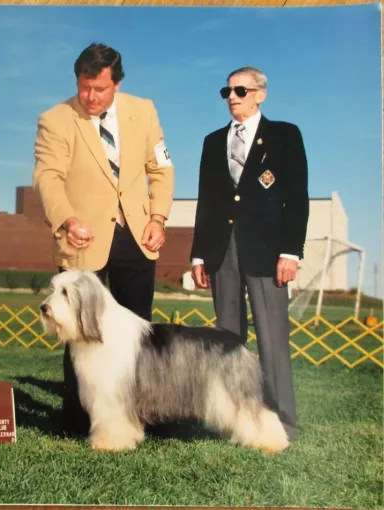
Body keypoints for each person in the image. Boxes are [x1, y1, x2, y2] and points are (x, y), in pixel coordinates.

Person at [33, 43, 174, 437]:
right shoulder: (56, 119)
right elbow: (47, 177)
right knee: (78, 333)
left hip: (137, 235)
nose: (90, 97)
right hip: (82, 238)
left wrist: (159, 217)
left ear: (117, 84)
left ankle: (141, 416)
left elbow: (160, 168)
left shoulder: (143, 110)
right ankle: (78, 421)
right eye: (84, 87)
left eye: (99, 89)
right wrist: (67, 219)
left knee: (137, 338)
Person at [190, 66, 309, 442]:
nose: (233, 97)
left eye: (241, 90)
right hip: (221, 252)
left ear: (260, 94)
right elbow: (206, 202)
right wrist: (198, 256)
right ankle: (234, 422)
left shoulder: (285, 136)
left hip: (269, 252)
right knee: (227, 342)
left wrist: (291, 251)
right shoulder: (212, 141)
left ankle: (281, 423)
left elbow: (296, 199)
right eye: (227, 91)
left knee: (272, 341)